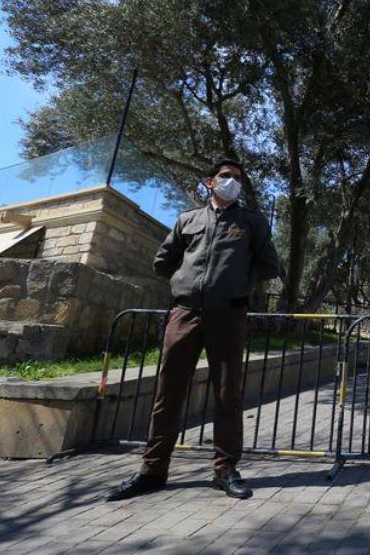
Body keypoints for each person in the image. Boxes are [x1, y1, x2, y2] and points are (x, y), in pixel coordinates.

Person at [107, 158, 280, 501]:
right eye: (225, 176)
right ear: (210, 181)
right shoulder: (188, 219)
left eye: (237, 177)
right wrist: (186, 283)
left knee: (227, 394)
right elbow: (163, 261)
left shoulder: (252, 222)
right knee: (167, 393)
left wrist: (236, 285)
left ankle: (225, 470)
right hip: (184, 314)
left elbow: (269, 265)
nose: (232, 181)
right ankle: (152, 471)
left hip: (228, 316)